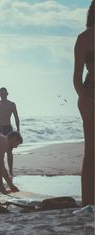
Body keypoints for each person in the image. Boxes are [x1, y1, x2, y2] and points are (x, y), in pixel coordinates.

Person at [73, 0, 94, 206]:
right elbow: (77, 78)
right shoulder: (84, 38)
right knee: (91, 154)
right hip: (91, 96)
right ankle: (88, 205)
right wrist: (83, 98)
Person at [0, 87, 20, 178]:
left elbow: (16, 117)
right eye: (1, 94)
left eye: (4, 93)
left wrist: (18, 130)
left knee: (9, 151)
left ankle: (10, 171)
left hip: (8, 128)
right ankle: (0, 170)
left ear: (7, 94)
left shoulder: (12, 104)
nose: (3, 95)